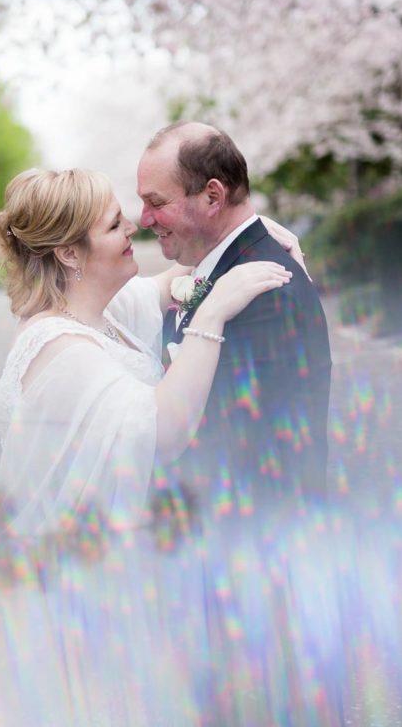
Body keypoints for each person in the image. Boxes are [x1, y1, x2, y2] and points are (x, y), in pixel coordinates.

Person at [0, 166, 296, 540]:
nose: (133, 227)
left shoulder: (101, 311)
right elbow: (162, 430)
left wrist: (240, 233)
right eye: (114, 226)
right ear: (69, 253)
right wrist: (212, 313)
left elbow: (171, 281)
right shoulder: (59, 350)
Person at [138, 121, 332, 523]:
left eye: (156, 202)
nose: (143, 219)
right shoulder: (227, 270)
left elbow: (252, 456)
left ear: (213, 196)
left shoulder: (264, 296)